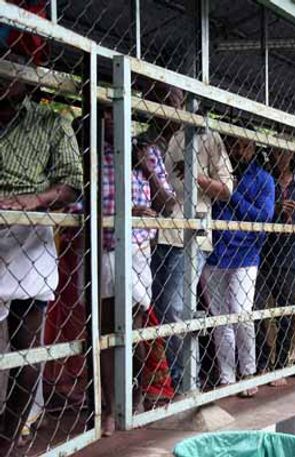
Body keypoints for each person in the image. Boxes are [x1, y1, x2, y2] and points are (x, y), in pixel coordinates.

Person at [0, 65, 82, 450]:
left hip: (28, 228)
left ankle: (7, 435)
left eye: (13, 67)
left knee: (26, 347)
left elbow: (70, 182)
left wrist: (33, 200)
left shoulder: (52, 122)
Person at [97, 108, 176, 436]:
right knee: (107, 329)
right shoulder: (96, 153)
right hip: (108, 248)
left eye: (120, 113)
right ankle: (107, 408)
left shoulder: (149, 153)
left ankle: (136, 395)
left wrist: (147, 168)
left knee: (138, 326)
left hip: (141, 250)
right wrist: (125, 212)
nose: (114, 119)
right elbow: (85, 202)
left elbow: (168, 205)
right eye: (108, 114)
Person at [151, 88, 234, 393]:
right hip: (154, 232)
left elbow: (227, 188)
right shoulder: (152, 138)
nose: (165, 103)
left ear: (185, 101)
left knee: (176, 307)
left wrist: (197, 177)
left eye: (170, 97)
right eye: (160, 96)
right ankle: (169, 381)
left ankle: (186, 381)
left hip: (191, 234)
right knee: (159, 307)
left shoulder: (206, 138)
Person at [202, 138, 274, 398]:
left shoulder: (264, 179)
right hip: (215, 253)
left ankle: (248, 371)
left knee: (241, 314)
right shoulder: (215, 173)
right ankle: (227, 376)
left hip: (245, 254)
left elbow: (263, 217)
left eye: (244, 146)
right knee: (221, 320)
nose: (237, 150)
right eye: (232, 144)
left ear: (254, 148)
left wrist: (231, 195)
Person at [256, 147, 295, 378]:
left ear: (291, 156)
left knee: (288, 312)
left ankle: (281, 363)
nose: (280, 157)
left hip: (290, 254)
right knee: (258, 308)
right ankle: (264, 358)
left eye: (284, 154)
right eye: (276, 153)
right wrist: (277, 210)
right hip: (265, 253)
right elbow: (261, 212)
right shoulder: (267, 180)